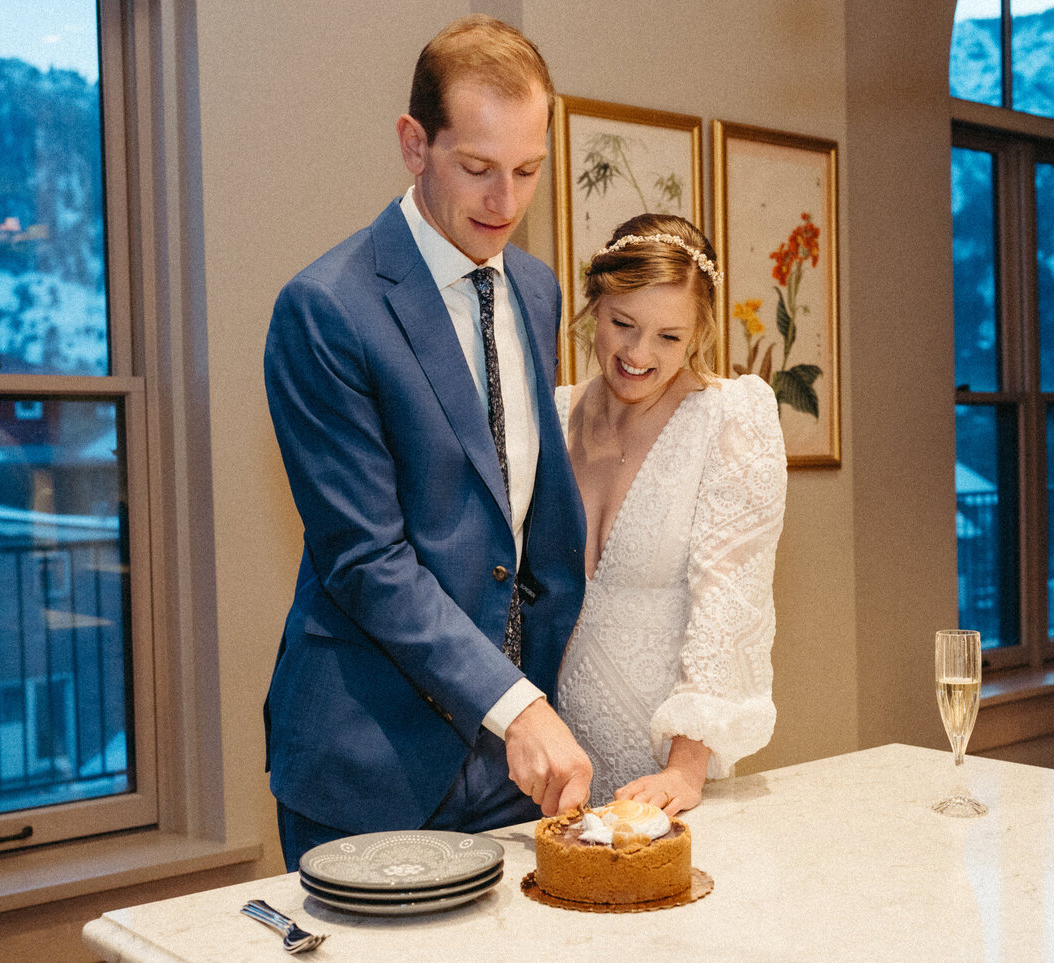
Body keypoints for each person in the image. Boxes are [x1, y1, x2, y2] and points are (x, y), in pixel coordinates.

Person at [263, 15, 591, 871]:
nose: (506, 203)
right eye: (477, 168)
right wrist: (516, 705)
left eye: (528, 171)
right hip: (371, 761)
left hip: (509, 759)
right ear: (415, 144)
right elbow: (367, 559)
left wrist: (536, 702)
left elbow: (524, 513)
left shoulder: (536, 287)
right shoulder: (327, 309)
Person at [555, 212, 787, 817]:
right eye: (622, 324)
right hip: (554, 768)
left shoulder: (730, 419)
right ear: (594, 305)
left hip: (670, 779)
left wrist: (683, 771)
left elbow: (729, 602)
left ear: (699, 335)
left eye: (668, 337)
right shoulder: (553, 416)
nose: (637, 353)